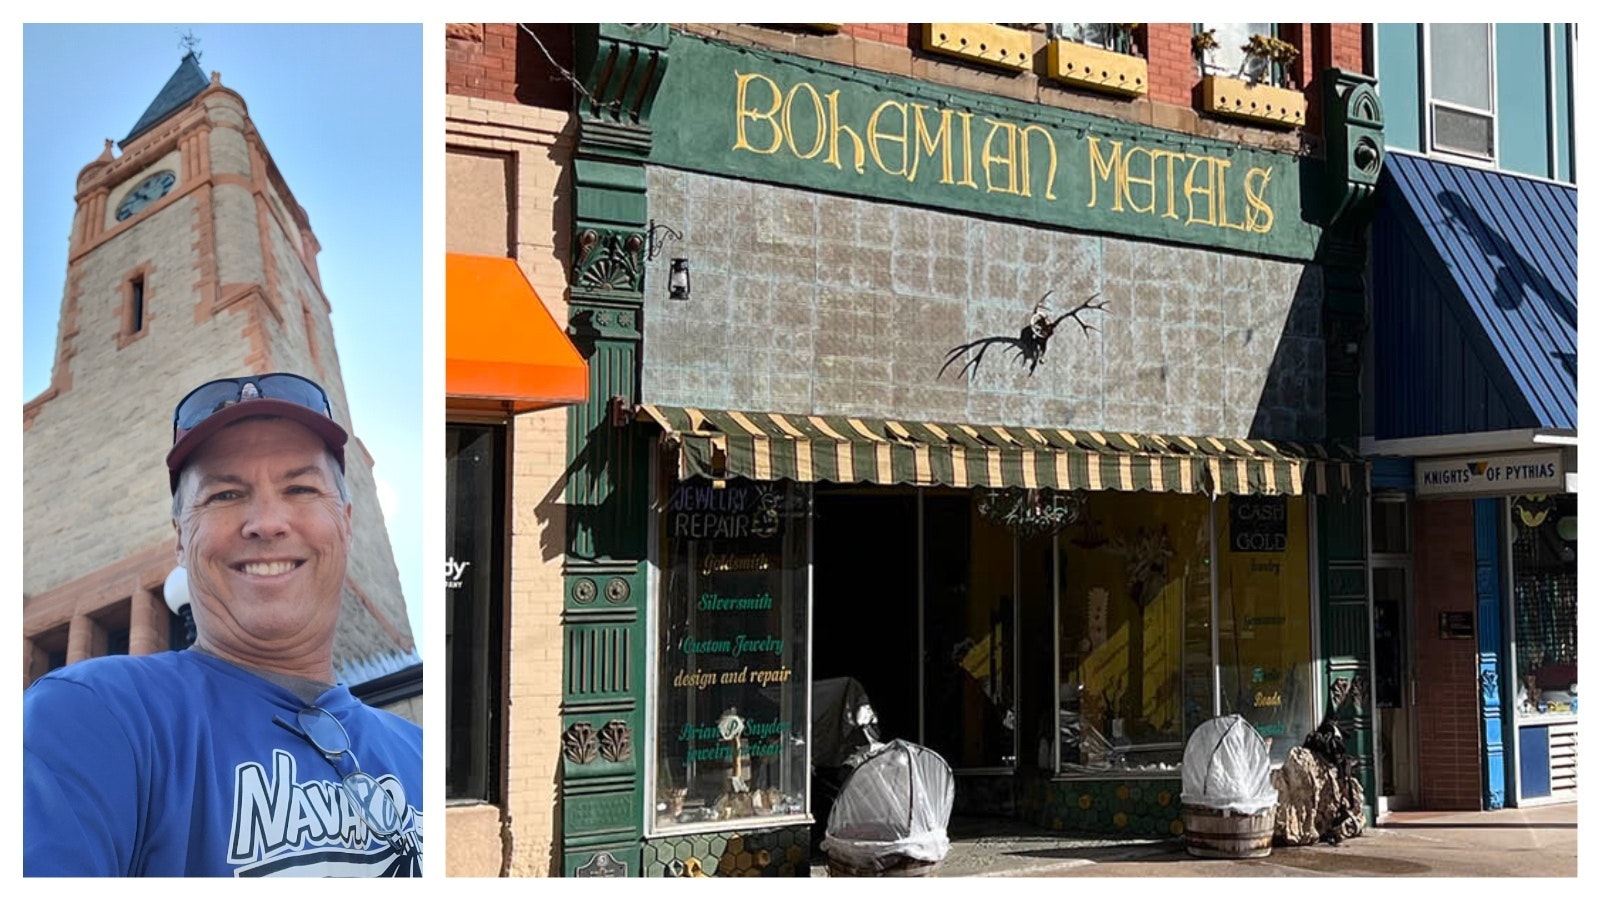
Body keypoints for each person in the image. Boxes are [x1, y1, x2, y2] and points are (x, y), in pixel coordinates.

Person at [24, 372, 423, 876]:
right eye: (224, 496)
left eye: (300, 488)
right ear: (179, 537)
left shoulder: (421, 755)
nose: (267, 521)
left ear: (345, 521)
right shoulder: (90, 716)